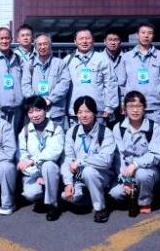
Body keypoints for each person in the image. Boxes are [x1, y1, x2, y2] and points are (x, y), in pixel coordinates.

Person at [61, 95, 116, 223]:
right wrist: (68, 182)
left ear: (95, 112)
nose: (84, 115)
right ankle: (90, 197)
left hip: (101, 175)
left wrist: (81, 161)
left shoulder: (105, 133)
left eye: (87, 111)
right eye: (80, 112)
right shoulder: (72, 132)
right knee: (67, 196)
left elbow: (106, 161)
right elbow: (68, 159)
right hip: (79, 177)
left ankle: (100, 209)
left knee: (89, 171)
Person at [108, 91, 160, 217]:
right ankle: (134, 192)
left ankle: (145, 201)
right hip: (126, 171)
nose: (135, 110)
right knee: (115, 193)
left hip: (149, 170)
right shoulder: (118, 128)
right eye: (131, 106)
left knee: (142, 175)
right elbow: (119, 157)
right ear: (124, 109)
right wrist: (126, 179)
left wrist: (135, 164)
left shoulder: (154, 127)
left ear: (144, 107)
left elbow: (155, 155)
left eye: (138, 106)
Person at [18, 96, 64, 221]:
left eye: (38, 110)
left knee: (48, 165)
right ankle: (43, 196)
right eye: (30, 112)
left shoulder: (56, 128)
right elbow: (22, 157)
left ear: (45, 110)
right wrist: (37, 174)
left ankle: (53, 205)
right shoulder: (25, 131)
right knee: (30, 194)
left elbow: (53, 152)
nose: (35, 115)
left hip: (52, 171)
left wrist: (33, 161)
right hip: (34, 173)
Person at [117, 24, 160, 124]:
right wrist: (123, 103)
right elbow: (121, 84)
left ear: (153, 36)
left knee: (155, 134)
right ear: (137, 35)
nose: (146, 36)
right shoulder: (126, 57)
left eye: (150, 33)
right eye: (143, 33)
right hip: (133, 107)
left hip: (155, 109)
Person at [64, 28, 118, 127]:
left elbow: (111, 84)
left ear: (93, 40)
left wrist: (110, 107)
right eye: (81, 39)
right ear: (75, 41)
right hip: (75, 112)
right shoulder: (68, 61)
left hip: (98, 112)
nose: (84, 41)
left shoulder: (102, 59)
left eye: (88, 38)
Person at [22, 33, 71, 130]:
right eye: (39, 44)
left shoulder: (60, 63)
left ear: (50, 45)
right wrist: (37, 102)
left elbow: (64, 84)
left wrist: (50, 100)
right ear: (35, 47)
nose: (42, 47)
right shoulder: (29, 65)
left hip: (55, 112)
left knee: (56, 137)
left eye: (45, 44)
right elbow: (25, 85)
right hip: (35, 113)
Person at [102, 29, 125, 127]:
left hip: (123, 105)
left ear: (120, 42)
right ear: (104, 41)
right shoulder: (99, 59)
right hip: (105, 105)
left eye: (116, 40)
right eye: (110, 40)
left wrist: (124, 103)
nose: (113, 43)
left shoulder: (127, 59)